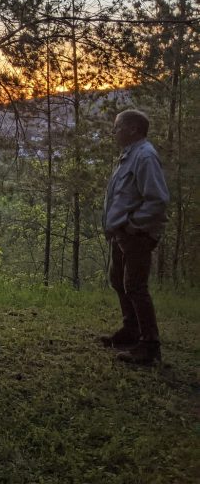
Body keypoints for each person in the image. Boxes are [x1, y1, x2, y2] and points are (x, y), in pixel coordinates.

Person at [101, 110, 169, 365]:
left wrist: (133, 225)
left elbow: (158, 200)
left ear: (132, 129)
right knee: (118, 280)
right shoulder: (129, 155)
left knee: (136, 287)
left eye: (117, 127)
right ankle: (131, 331)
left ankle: (149, 345)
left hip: (136, 235)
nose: (114, 132)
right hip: (121, 233)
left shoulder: (145, 157)